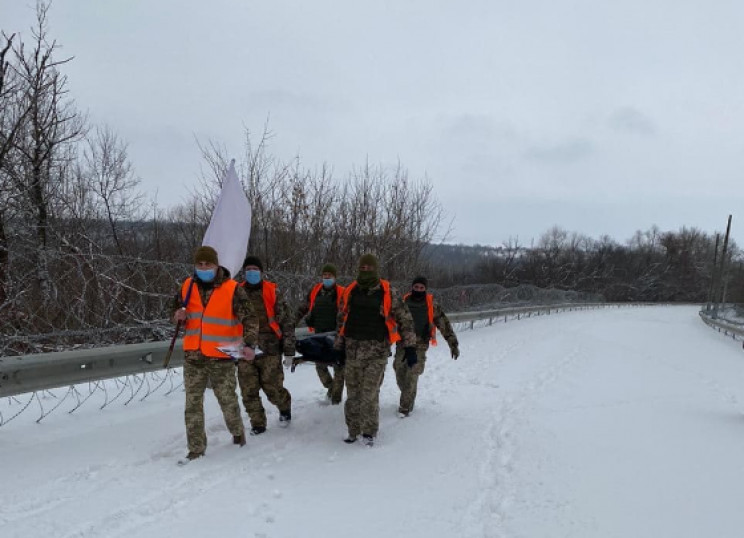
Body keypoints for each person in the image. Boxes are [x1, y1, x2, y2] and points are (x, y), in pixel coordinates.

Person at [171, 246, 259, 463]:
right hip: (194, 355)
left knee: (227, 400)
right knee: (192, 404)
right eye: (199, 264)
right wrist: (177, 315)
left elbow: (250, 319)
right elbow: (174, 312)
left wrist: (248, 344)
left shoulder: (232, 289)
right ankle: (196, 449)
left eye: (207, 264)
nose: (203, 268)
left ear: (216, 265)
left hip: (221, 355)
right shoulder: (187, 286)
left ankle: (238, 433)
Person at [334, 253, 416, 447]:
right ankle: (353, 430)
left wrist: (410, 347)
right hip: (352, 351)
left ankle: (368, 432)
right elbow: (341, 321)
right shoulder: (350, 291)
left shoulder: (388, 292)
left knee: (369, 394)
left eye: (369, 269)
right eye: (363, 268)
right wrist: (338, 347)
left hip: (376, 353)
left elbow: (405, 320)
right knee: (353, 394)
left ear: (376, 269)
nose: (366, 272)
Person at [236, 255, 295, 435]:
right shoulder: (237, 292)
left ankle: (284, 408)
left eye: (255, 269)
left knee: (273, 388)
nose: (251, 273)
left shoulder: (272, 291)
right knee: (248, 390)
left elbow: (286, 322)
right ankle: (258, 423)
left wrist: (289, 350)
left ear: (261, 272)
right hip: (245, 348)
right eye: (248, 270)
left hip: (270, 349)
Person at [393, 276, 459, 418]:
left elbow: (444, 324)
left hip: (420, 344)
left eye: (421, 288)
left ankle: (404, 407)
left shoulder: (431, 304)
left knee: (412, 373)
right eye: (416, 287)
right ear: (412, 288)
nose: (418, 290)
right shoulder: (403, 302)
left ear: (425, 289)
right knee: (400, 373)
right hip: (402, 344)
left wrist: (453, 344)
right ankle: (409, 394)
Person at [295, 263, 345, 404]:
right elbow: (303, 309)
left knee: (339, 367)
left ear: (335, 277)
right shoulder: (315, 290)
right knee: (319, 365)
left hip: (336, 336)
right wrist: (293, 325)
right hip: (317, 335)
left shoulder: (342, 292)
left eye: (330, 275)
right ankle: (331, 387)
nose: (327, 277)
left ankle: (336, 400)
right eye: (325, 275)